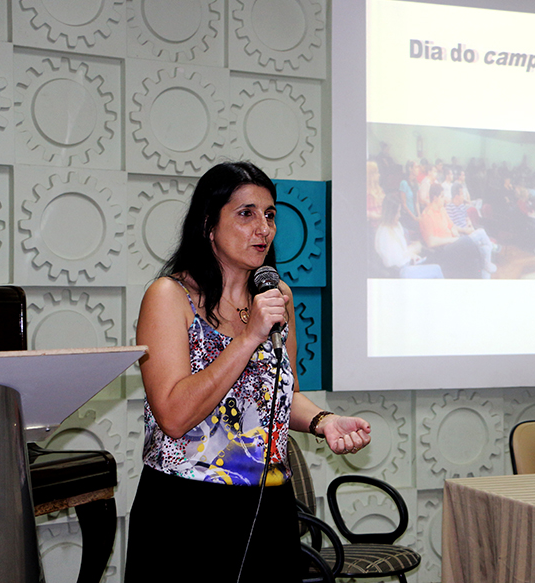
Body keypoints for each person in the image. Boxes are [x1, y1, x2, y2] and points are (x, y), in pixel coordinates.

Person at [125, 161, 371, 582]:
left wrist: (324, 421)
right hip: (188, 508)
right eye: (246, 214)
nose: (264, 228)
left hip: (268, 503)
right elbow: (173, 415)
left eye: (270, 215)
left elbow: (282, 395)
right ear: (209, 224)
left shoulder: (277, 297)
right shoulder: (169, 296)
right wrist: (247, 337)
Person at [374, 194, 443, 278]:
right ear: (391, 213)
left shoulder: (397, 226)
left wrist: (413, 255)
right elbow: (392, 262)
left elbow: (403, 251)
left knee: (434, 263)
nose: (399, 215)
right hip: (400, 272)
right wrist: (412, 250)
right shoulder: (384, 233)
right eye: (397, 212)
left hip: (408, 265)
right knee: (436, 269)